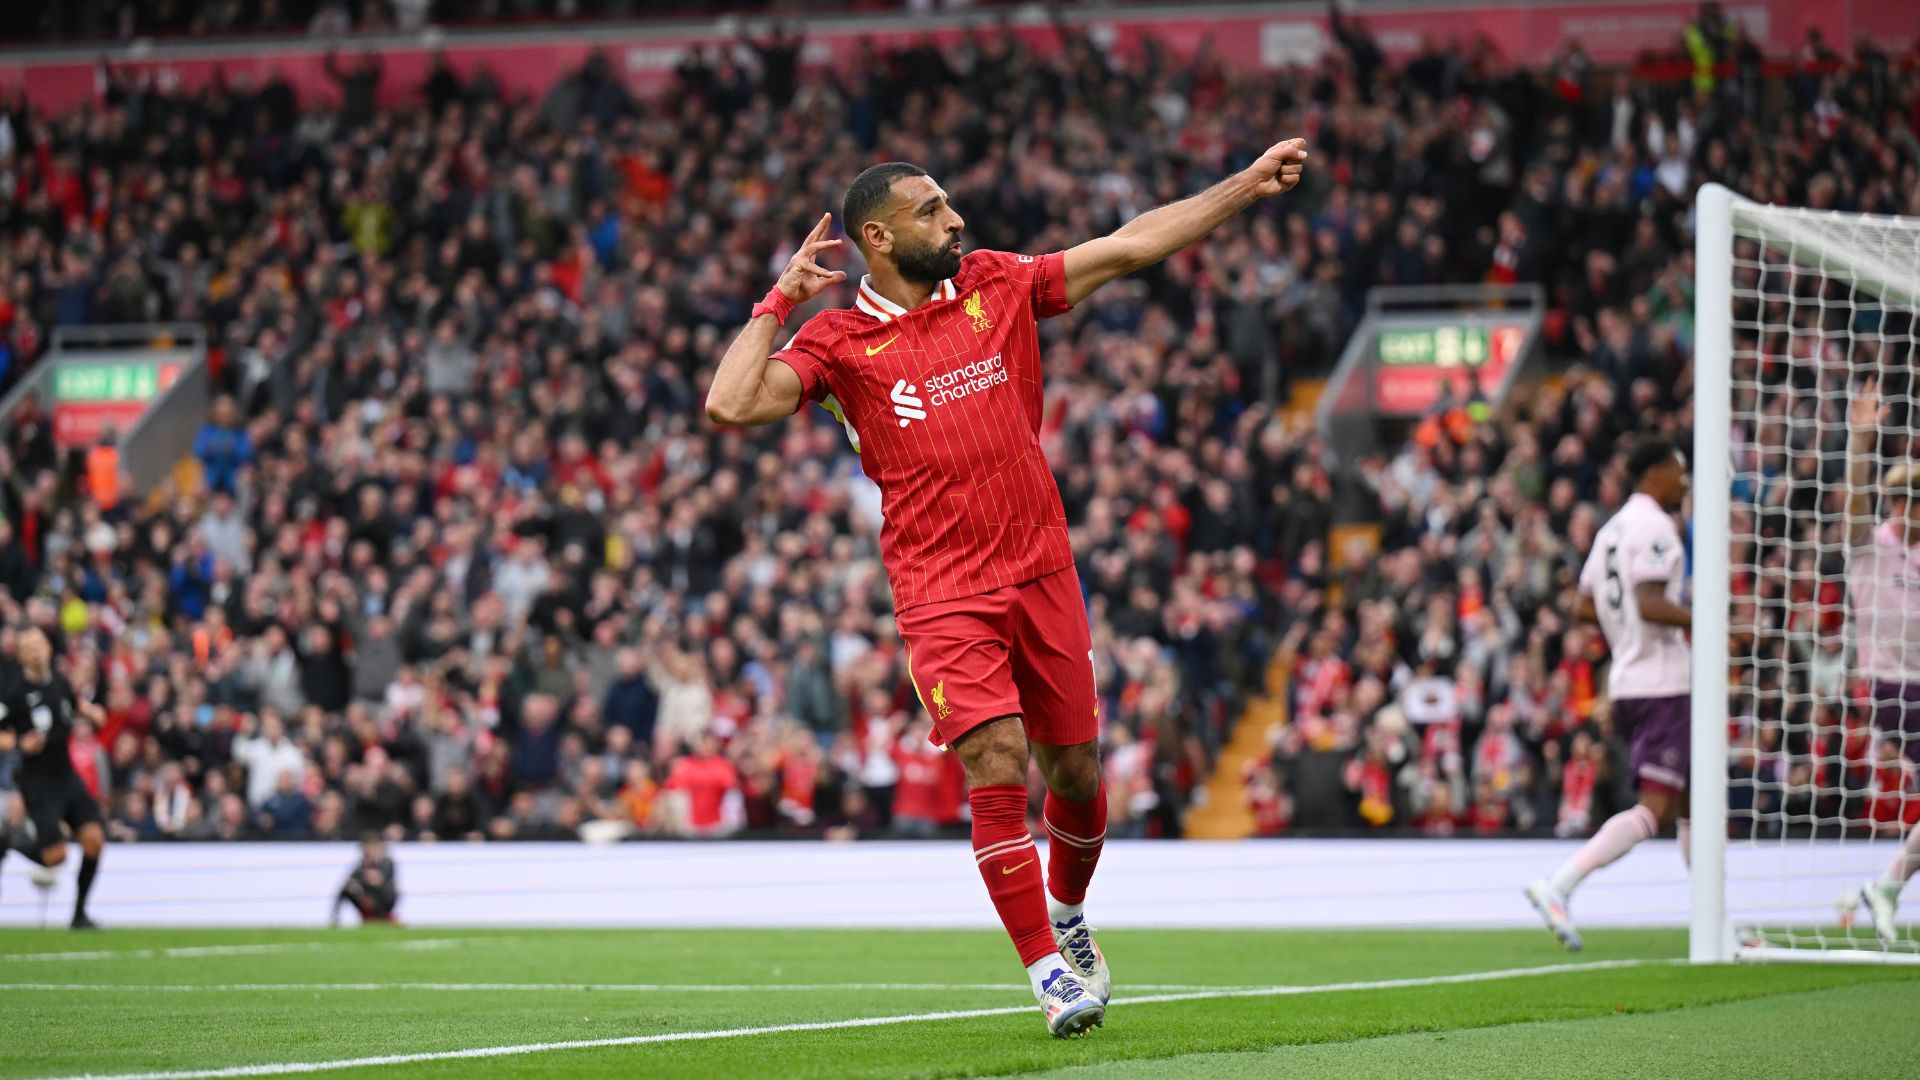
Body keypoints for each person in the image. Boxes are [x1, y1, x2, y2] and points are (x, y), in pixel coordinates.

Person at [706, 141, 1310, 1035]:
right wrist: (777, 302)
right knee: (996, 762)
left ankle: (1067, 917)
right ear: (877, 236)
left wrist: (1247, 186)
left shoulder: (997, 283)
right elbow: (730, 403)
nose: (956, 220)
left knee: (1077, 770)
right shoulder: (835, 342)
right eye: (933, 209)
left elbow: (1130, 245)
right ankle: (1045, 974)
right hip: (940, 590)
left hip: (1042, 570)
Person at [1526, 439, 1693, 950]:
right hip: (1663, 681)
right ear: (1655, 472)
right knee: (1658, 810)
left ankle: (1717, 918)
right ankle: (1560, 883)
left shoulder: (1610, 529)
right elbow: (1646, 601)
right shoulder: (1655, 527)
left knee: (1694, 805)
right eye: (1678, 472)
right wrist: (1712, 622)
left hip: (1627, 680)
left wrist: (1622, 632)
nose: (1684, 483)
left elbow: (1581, 606)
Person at [1840, 382, 1920, 942]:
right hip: (1894, 687)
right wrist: (1862, 436)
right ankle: (1886, 884)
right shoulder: (1869, 545)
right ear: (1900, 506)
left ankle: (1886, 886)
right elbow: (1853, 500)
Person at [0, 627, 109, 929]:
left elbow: (75, 706)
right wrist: (19, 744)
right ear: (21, 656)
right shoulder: (15, 695)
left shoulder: (59, 682)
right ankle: (9, 843)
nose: (35, 651)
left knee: (94, 841)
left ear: (48, 649)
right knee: (55, 857)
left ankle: (79, 914)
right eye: (28, 647)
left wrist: (92, 714)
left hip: (67, 777)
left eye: (39, 644)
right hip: (38, 784)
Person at [332, 834, 399, 926]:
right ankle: (335, 919)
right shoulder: (363, 863)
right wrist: (361, 893)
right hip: (365, 896)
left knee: (389, 892)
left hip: (382, 898)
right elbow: (351, 879)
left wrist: (367, 878)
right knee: (346, 890)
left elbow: (379, 881)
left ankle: (381, 916)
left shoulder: (386, 862)